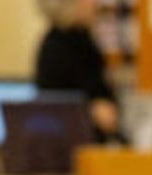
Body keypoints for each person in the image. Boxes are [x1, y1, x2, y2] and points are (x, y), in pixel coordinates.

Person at [35, 0, 123, 142]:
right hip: (71, 146)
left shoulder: (83, 38)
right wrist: (92, 111)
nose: (95, 3)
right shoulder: (56, 47)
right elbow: (52, 108)